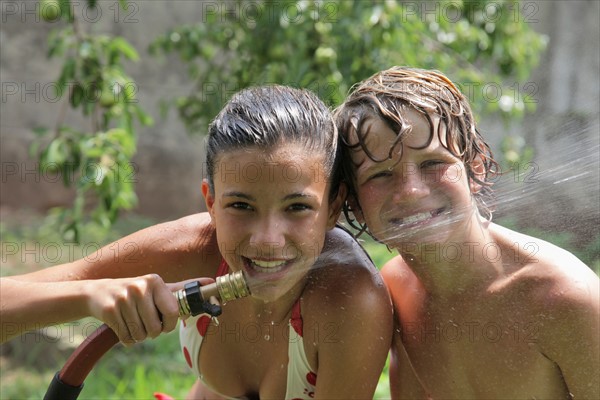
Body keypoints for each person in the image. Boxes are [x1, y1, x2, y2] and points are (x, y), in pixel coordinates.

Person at [1, 85, 393, 399]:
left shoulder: (351, 303)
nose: (268, 240)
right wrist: (89, 295)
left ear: (333, 207)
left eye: (297, 207)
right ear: (211, 203)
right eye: (241, 205)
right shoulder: (190, 250)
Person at [334, 66, 600, 399]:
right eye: (381, 175)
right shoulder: (396, 290)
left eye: (432, 163)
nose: (412, 191)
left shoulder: (562, 298)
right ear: (356, 204)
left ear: (474, 170)